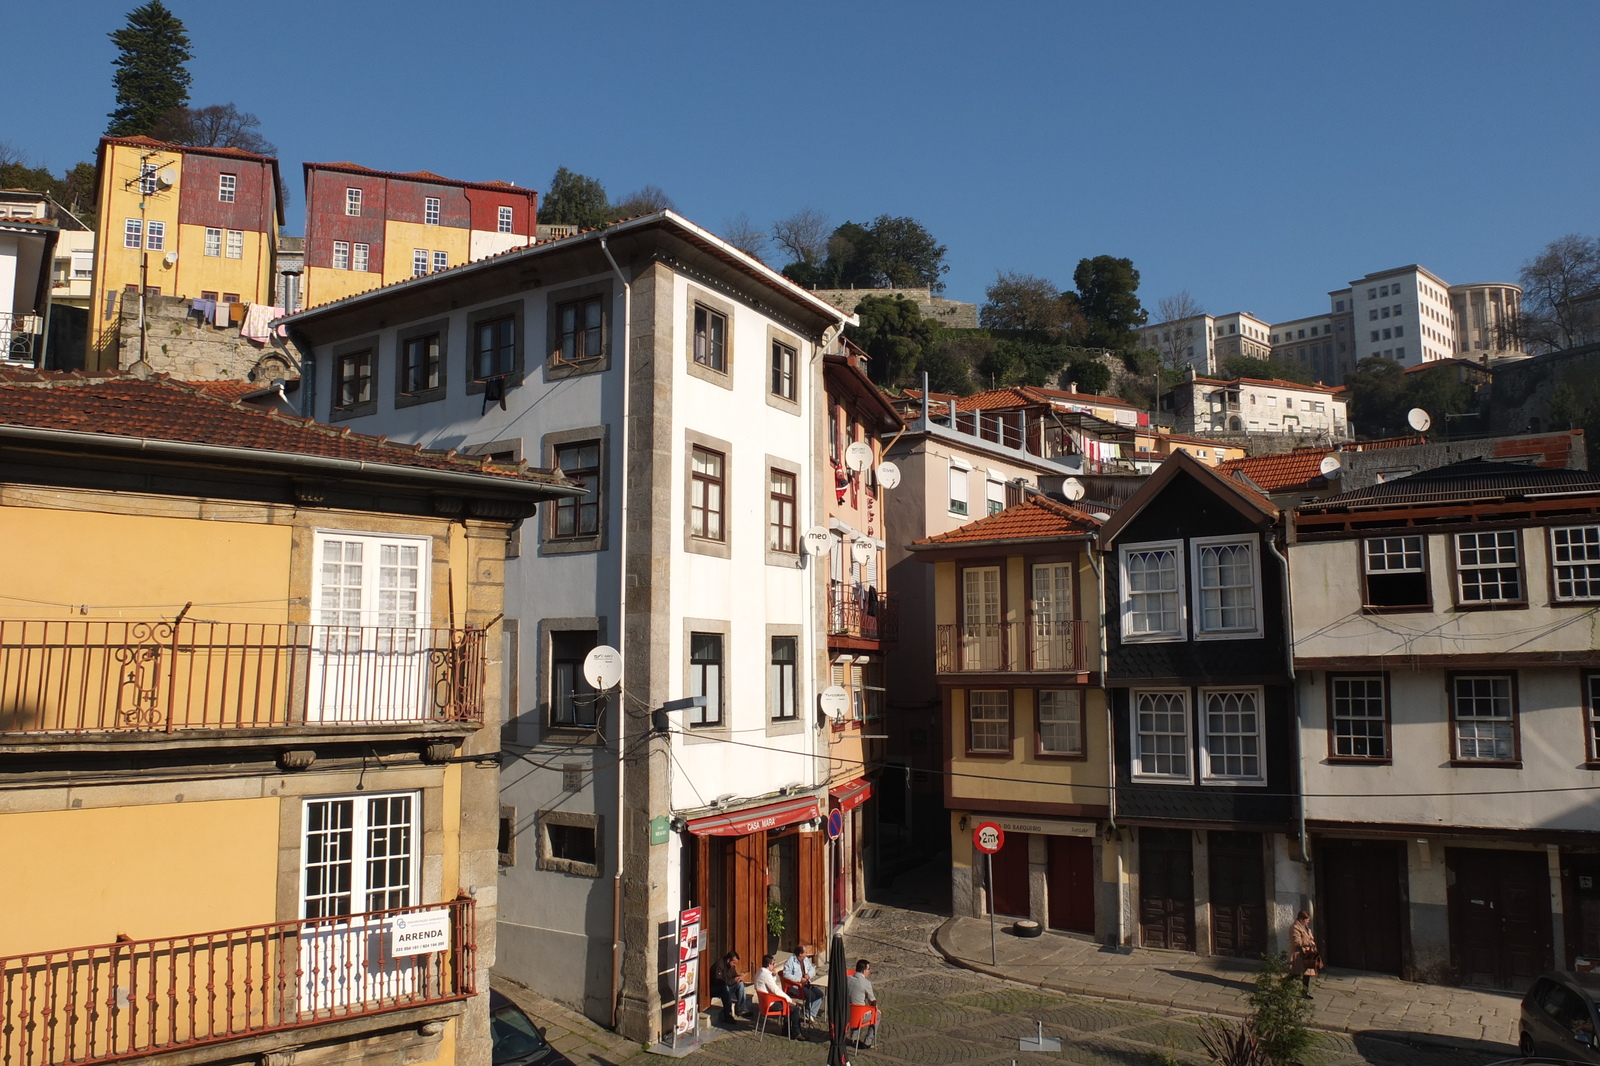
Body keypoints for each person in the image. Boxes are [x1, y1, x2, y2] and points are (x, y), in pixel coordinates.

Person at [754, 953, 802, 1039]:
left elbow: (771, 984)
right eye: (773, 963)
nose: (774, 965)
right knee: (795, 1008)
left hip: (764, 1002)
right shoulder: (766, 975)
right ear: (769, 964)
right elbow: (776, 990)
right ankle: (797, 1033)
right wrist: (790, 1000)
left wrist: (774, 975)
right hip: (770, 1003)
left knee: (787, 1005)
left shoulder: (759, 972)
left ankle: (786, 1030)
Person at [782, 942, 826, 1023]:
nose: (806, 954)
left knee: (819, 994)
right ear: (800, 954)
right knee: (811, 995)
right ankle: (806, 1012)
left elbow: (812, 969)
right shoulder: (791, 961)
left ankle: (811, 1014)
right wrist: (799, 979)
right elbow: (785, 974)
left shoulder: (805, 960)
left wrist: (808, 975)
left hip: (807, 983)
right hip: (797, 986)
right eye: (805, 952)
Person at [710, 950, 750, 1028]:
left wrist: (738, 977)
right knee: (725, 990)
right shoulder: (719, 965)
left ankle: (741, 1008)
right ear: (728, 960)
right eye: (734, 963)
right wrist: (733, 980)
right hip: (717, 987)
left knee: (740, 984)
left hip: (728, 984)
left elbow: (734, 975)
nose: (734, 965)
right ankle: (728, 1014)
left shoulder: (731, 967)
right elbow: (720, 982)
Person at [1289, 910, 1321, 997]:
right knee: (1296, 974)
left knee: (1308, 973)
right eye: (1306, 919)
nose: (1308, 921)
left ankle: (1305, 992)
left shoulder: (1305, 926)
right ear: (1300, 919)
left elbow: (1309, 936)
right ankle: (1284, 984)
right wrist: (1309, 942)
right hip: (1298, 954)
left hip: (1307, 954)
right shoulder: (1295, 927)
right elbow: (1297, 942)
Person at [847, 959, 879, 1048]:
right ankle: (867, 1042)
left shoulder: (847, 979)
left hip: (846, 1013)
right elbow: (872, 1001)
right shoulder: (866, 983)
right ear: (864, 970)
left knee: (856, 1006)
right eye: (869, 969)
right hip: (858, 1016)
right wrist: (876, 1009)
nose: (869, 971)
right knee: (877, 1015)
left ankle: (854, 1038)